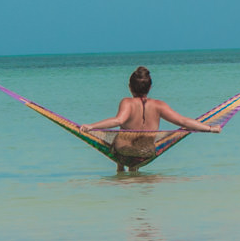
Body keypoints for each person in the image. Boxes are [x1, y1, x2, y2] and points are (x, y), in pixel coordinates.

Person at [82, 66, 219, 173]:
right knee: (181, 129)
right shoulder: (159, 105)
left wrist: (92, 126)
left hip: (123, 152)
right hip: (146, 153)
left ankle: (120, 170)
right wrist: (210, 129)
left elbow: (118, 121)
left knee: (121, 135)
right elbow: (183, 122)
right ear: (150, 87)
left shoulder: (127, 102)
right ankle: (134, 170)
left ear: (130, 87)